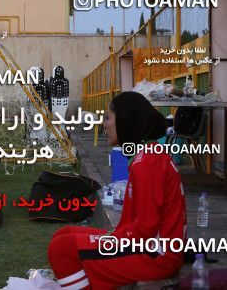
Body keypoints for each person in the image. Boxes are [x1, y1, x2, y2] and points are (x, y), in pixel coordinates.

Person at [47, 91, 187, 289]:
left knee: (61, 249)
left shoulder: (147, 162)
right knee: (63, 234)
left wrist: (111, 240)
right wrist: (111, 237)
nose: (105, 123)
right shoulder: (147, 154)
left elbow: (145, 230)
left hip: (156, 255)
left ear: (125, 120)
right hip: (148, 247)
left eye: (108, 117)